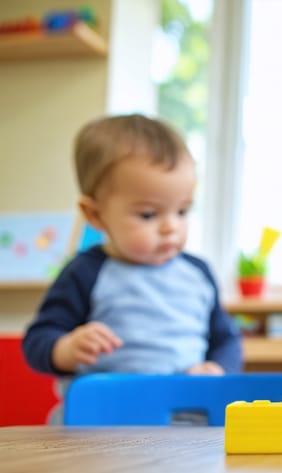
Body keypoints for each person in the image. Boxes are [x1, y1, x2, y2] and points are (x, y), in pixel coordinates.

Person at [22, 114, 242, 390]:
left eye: (182, 211)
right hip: (100, 421)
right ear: (96, 214)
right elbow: (38, 339)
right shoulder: (86, 272)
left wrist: (217, 368)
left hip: (186, 418)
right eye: (149, 214)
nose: (171, 227)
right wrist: (66, 349)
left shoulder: (198, 273)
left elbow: (226, 339)